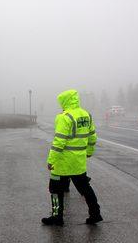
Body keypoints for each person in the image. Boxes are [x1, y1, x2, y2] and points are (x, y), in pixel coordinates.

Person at [42, 89, 103, 226]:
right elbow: (92, 137)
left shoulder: (64, 117)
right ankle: (95, 213)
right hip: (79, 162)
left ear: (65, 101)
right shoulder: (86, 115)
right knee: (85, 188)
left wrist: (51, 160)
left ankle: (57, 217)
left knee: (55, 189)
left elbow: (59, 142)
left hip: (62, 163)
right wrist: (89, 151)